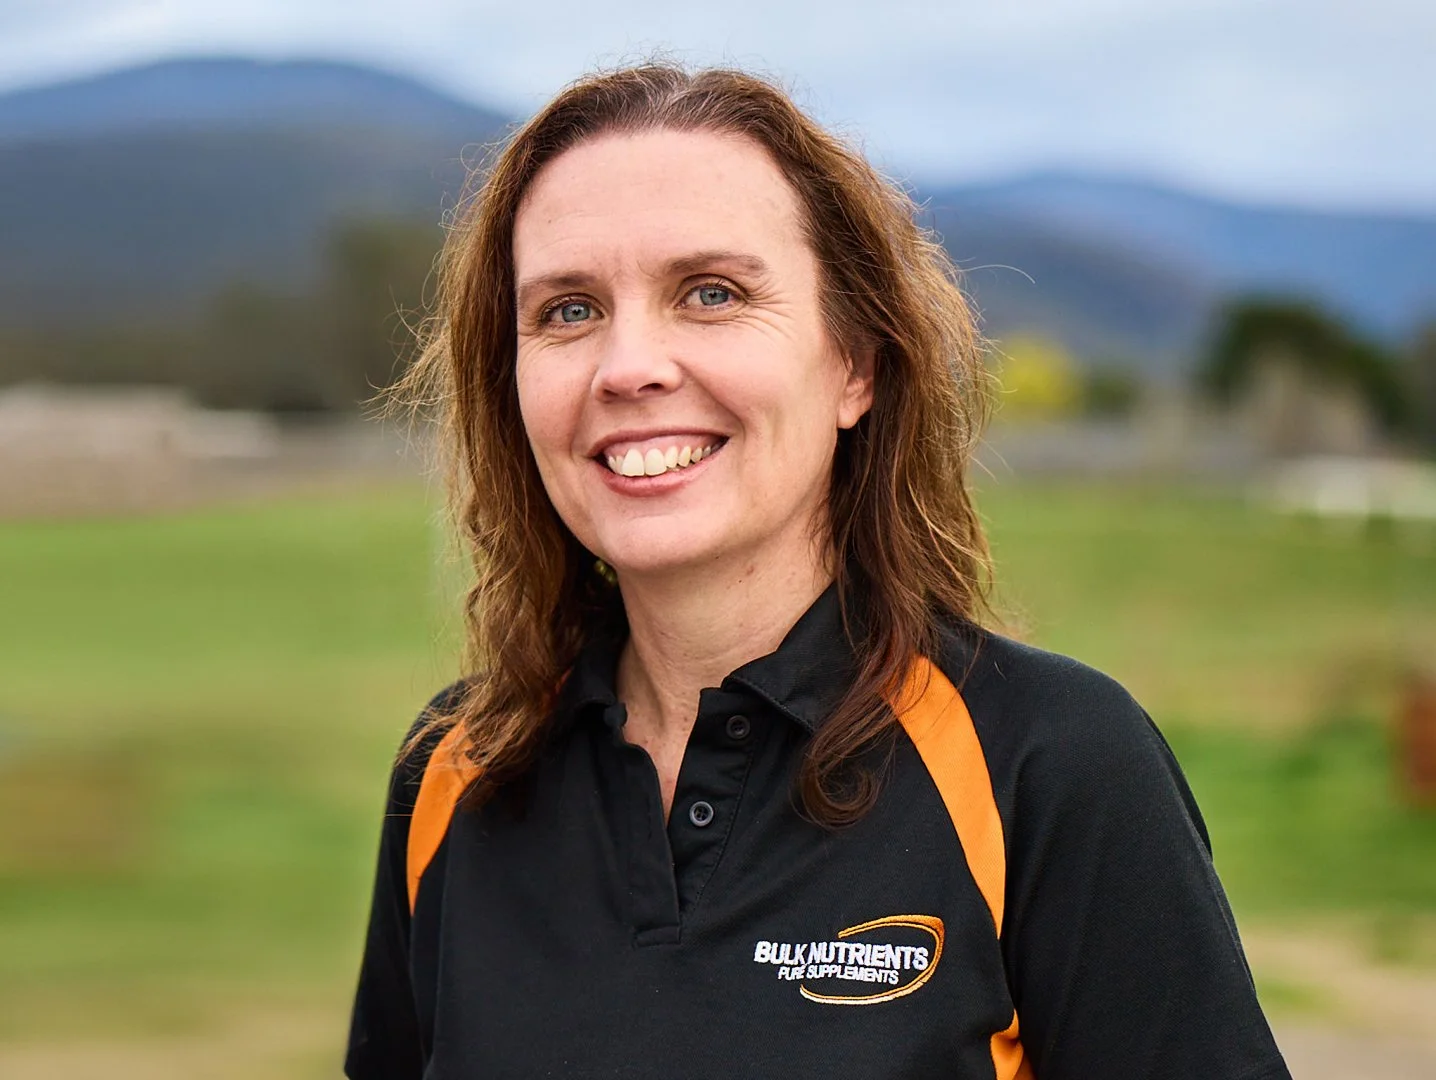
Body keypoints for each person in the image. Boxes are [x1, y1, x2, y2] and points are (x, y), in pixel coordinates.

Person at [345, 64, 1291, 1080]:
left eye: (711, 294)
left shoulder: (1053, 762)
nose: (627, 367)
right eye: (568, 311)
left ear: (855, 365)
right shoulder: (454, 774)